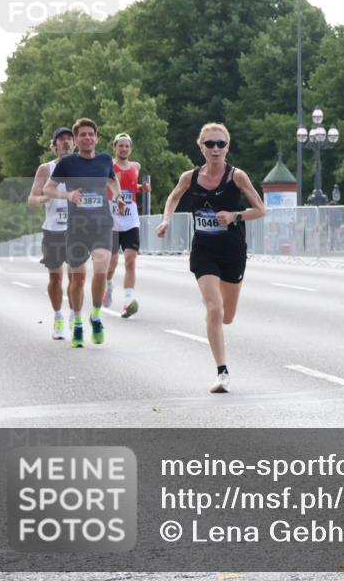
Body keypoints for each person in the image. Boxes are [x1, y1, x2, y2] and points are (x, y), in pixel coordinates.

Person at [156, 123, 265, 394]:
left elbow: (260, 210)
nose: (215, 149)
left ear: (227, 147)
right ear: (200, 146)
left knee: (227, 316)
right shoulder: (189, 177)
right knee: (214, 309)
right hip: (204, 250)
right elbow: (173, 198)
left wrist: (234, 216)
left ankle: (215, 309)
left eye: (220, 144)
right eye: (210, 144)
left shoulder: (236, 177)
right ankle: (222, 372)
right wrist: (166, 220)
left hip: (232, 250)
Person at [43, 118, 126, 348]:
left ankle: (96, 316)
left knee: (100, 271)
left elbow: (113, 180)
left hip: (101, 226)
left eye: (91, 134)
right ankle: (77, 320)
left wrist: (118, 197)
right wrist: (67, 196)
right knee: (78, 278)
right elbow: (47, 188)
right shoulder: (68, 163)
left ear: (97, 138)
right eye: (82, 135)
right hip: (77, 229)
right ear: (77, 140)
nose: (87, 138)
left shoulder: (104, 159)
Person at [27, 127, 76, 338]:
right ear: (54, 145)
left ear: (74, 144)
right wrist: (43, 199)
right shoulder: (45, 169)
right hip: (53, 230)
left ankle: (75, 315)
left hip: (77, 230)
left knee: (77, 278)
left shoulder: (82, 168)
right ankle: (58, 316)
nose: (65, 142)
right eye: (61, 140)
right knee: (56, 278)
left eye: (68, 139)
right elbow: (31, 199)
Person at [105, 133, 150, 317]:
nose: (123, 149)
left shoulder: (135, 166)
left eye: (127, 146)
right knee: (112, 262)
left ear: (130, 148)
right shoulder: (108, 166)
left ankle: (127, 301)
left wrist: (141, 188)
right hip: (113, 221)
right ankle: (108, 284)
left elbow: (131, 187)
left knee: (131, 261)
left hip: (131, 220)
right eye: (120, 146)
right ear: (114, 147)